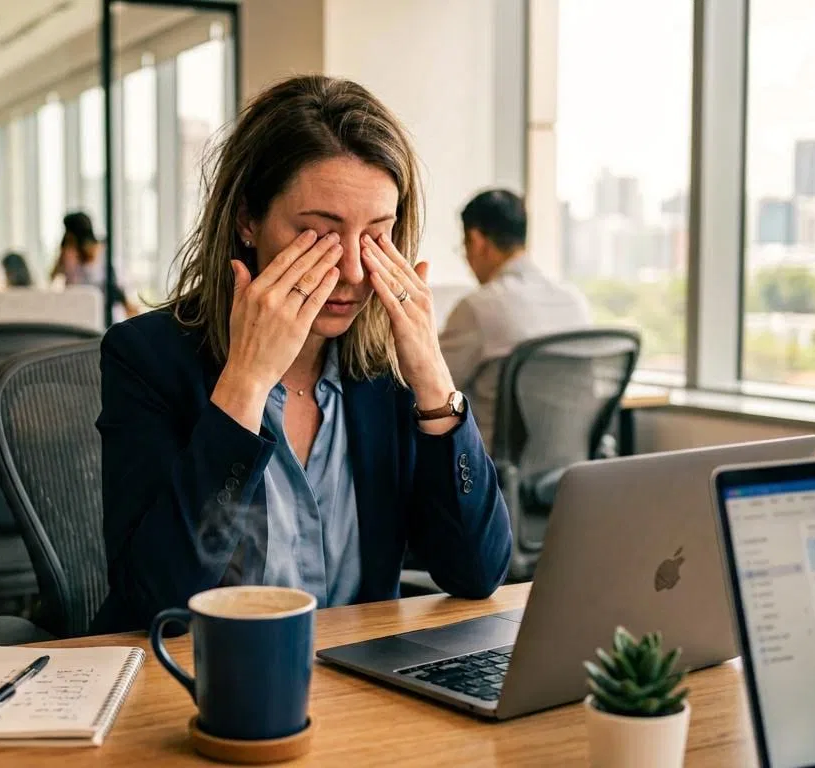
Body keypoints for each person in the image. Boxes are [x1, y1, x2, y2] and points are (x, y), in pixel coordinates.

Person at [92, 75, 512, 633]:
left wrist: (434, 381)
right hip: (207, 687)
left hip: (361, 691)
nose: (355, 272)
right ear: (247, 220)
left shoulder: (382, 373)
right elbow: (159, 603)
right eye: (320, 233)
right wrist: (245, 381)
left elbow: (477, 573)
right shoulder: (147, 358)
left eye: (376, 235)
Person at [438, 189, 591, 449]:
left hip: (490, 476)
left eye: (463, 248)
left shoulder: (478, 307)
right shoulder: (574, 301)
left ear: (477, 241)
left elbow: (428, 384)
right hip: (564, 468)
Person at [50, 211, 139, 318]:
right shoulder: (68, 254)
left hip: (103, 311)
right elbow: (53, 276)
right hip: (76, 309)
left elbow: (116, 285)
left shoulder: (102, 252)